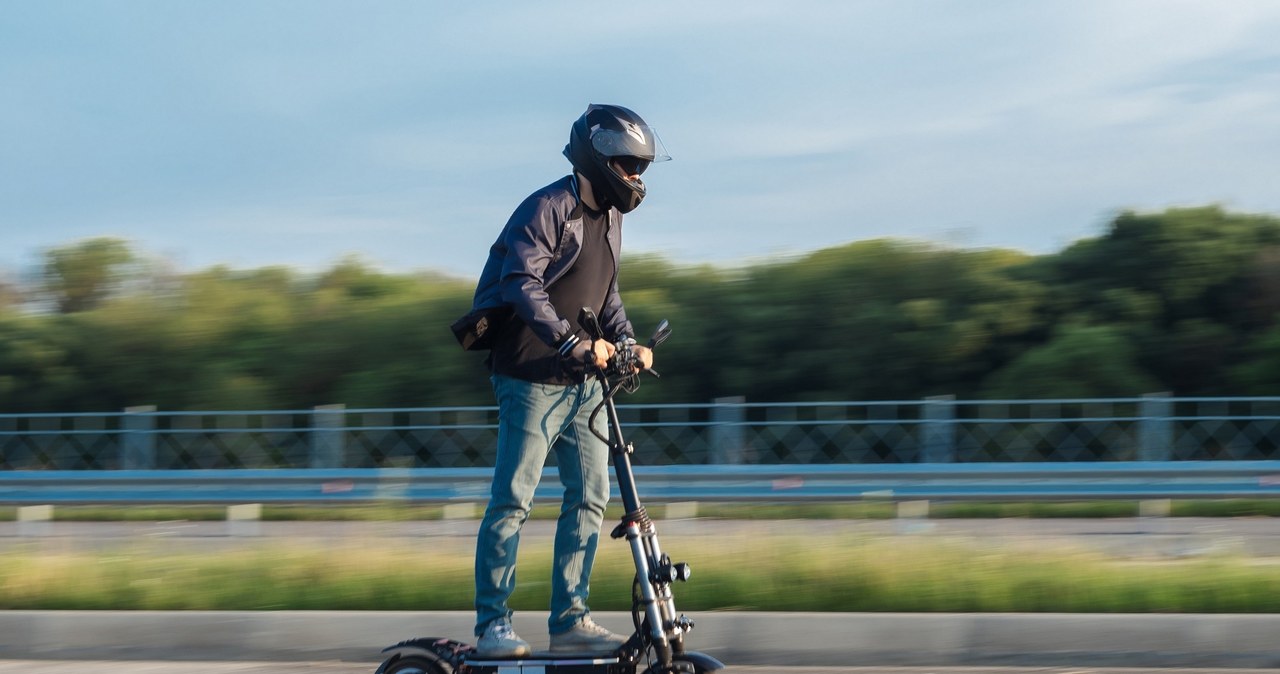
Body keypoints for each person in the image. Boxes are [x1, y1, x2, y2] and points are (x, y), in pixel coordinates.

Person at [462, 104, 671, 657]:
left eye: (640, 167)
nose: (635, 176)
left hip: (584, 382)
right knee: (514, 500)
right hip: (530, 374)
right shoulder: (550, 206)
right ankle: (492, 627)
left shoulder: (610, 217)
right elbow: (520, 282)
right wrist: (567, 341)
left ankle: (569, 621)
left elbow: (605, 295)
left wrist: (627, 343)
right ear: (596, 156)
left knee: (591, 498)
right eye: (627, 164)